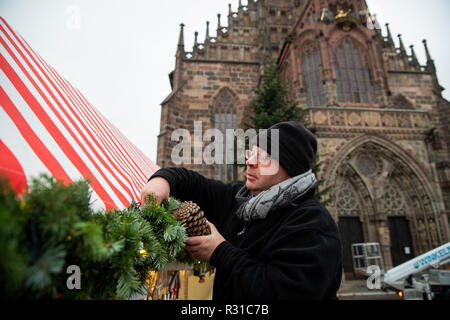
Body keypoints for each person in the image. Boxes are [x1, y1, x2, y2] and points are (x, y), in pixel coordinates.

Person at [140, 121, 342, 300]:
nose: (250, 162)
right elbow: (193, 182)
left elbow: (283, 291)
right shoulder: (241, 200)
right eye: (251, 153)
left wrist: (219, 252)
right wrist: (162, 180)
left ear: (290, 167)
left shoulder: (313, 223)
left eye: (265, 158)